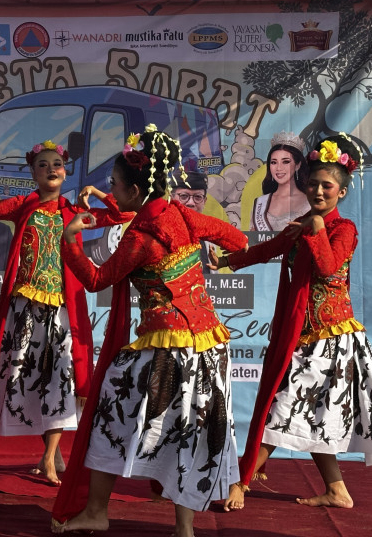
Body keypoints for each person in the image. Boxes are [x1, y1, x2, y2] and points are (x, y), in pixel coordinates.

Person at [51, 125, 249, 537]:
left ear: (137, 189)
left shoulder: (141, 239)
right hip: (209, 347)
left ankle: (96, 510)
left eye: (116, 185)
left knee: (108, 417)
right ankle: (184, 528)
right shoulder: (182, 214)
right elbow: (238, 238)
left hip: (166, 350)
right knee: (189, 431)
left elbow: (96, 280)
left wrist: (69, 243)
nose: (113, 190)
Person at [220, 134, 372, 511]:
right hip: (306, 338)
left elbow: (328, 266)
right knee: (307, 416)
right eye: (314, 183)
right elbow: (270, 248)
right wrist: (226, 262)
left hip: (331, 341)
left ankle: (241, 482)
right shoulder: (304, 224)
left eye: (327, 185)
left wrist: (316, 228)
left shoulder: (343, 228)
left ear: (342, 191)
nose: (318, 190)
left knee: (280, 406)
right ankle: (337, 490)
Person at [0, 139, 134, 486]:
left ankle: (50, 458)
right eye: (43, 164)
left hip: (61, 311)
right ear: (33, 173)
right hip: (24, 309)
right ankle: (50, 454)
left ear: (65, 171)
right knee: (34, 379)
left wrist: (98, 193)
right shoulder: (22, 206)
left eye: (57, 164)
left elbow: (123, 214)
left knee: (60, 376)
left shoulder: (74, 212)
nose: (52, 169)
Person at [250, 131, 310, 231]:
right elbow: (254, 240)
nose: (279, 168)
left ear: (298, 165)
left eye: (285, 162)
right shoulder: (260, 203)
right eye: (274, 162)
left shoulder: (309, 202)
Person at [171, 170, 216, 272]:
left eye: (197, 197)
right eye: (183, 196)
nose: (191, 203)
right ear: (171, 198)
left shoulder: (209, 240)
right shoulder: (157, 234)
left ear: (204, 201)